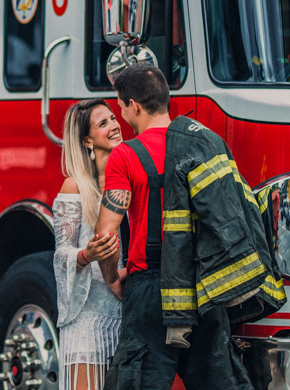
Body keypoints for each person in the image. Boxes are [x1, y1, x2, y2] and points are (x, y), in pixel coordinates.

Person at [94, 63, 253, 390]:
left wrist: (112, 278)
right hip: (205, 286)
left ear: (134, 106)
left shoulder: (125, 155)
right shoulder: (208, 144)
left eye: (121, 107)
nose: (121, 116)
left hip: (150, 288)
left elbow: (107, 235)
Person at [52, 99, 124, 390]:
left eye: (113, 118)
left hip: (127, 310)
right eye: (103, 123)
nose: (115, 126)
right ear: (87, 141)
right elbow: (61, 253)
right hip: (89, 318)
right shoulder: (75, 186)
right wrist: (85, 255)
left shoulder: (132, 179)